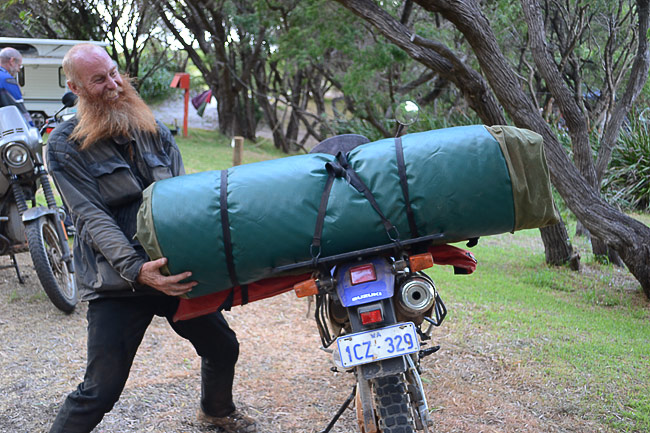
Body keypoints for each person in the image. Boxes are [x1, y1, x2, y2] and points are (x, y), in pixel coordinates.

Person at [46, 43, 256, 433]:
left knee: (222, 346)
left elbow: (183, 199)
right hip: (118, 281)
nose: (113, 84)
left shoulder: (153, 129)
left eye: (113, 72)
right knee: (100, 389)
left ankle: (216, 411)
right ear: (76, 88)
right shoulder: (64, 145)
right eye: (99, 80)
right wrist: (137, 269)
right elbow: (91, 217)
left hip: (172, 271)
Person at [0, 46, 33, 124]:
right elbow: (19, 111)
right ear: (12, 61)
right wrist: (31, 128)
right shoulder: (6, 80)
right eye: (19, 66)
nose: (18, 70)